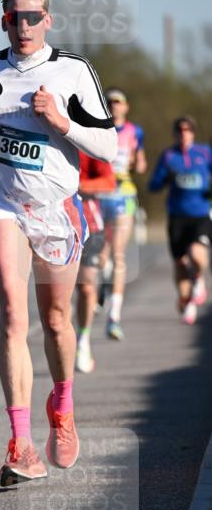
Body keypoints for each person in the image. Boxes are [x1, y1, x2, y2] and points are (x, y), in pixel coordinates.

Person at [0, 0, 117, 486]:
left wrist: (62, 121)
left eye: (32, 17)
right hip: (4, 204)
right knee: (13, 312)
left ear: (47, 20)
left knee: (55, 321)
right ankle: (21, 444)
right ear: (3, 21)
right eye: (13, 18)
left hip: (57, 211)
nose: (23, 27)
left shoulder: (72, 71)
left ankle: (63, 404)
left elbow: (109, 147)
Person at [148, 115, 212, 325]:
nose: (184, 133)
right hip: (177, 217)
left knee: (197, 254)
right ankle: (188, 301)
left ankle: (199, 279)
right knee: (180, 263)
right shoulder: (168, 156)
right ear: (175, 133)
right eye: (180, 130)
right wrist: (165, 178)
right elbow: (153, 186)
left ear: (193, 132)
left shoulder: (204, 153)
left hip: (200, 214)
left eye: (188, 130)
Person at [96, 88, 147, 341]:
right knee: (101, 256)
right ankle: (103, 286)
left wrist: (139, 163)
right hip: (99, 195)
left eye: (118, 102)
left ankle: (114, 316)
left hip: (124, 193)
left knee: (118, 253)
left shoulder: (135, 131)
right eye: (110, 102)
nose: (114, 106)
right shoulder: (97, 129)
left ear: (125, 107)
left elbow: (141, 161)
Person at [75, 153, 117, 373]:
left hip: (89, 224)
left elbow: (109, 182)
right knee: (58, 296)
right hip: (52, 225)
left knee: (86, 286)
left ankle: (83, 340)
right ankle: (64, 340)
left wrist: (77, 184)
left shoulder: (86, 139)